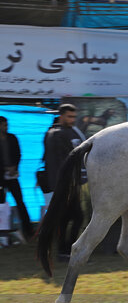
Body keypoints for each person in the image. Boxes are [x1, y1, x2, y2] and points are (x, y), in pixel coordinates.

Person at [43, 104, 87, 259]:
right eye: (69, 116)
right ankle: (67, 250)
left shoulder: (72, 131)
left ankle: (65, 250)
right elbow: (62, 162)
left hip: (71, 183)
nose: (72, 120)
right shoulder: (56, 134)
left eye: (74, 117)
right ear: (61, 116)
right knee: (74, 217)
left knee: (68, 217)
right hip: (64, 184)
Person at [0, 116, 34, 239]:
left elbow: (18, 154)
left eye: (6, 125)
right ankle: (3, 233)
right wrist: (4, 169)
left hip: (13, 176)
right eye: (4, 125)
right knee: (1, 204)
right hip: (1, 177)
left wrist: (14, 167)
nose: (6, 127)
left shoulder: (12, 138)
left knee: (20, 202)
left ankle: (28, 230)